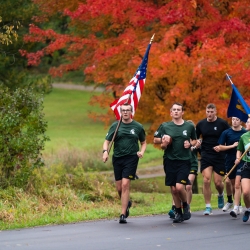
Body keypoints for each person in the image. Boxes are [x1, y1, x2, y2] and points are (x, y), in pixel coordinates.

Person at [102, 103, 147, 224]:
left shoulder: (137, 126)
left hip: (131, 158)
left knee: (125, 184)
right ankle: (127, 202)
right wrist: (105, 152)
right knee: (119, 187)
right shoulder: (116, 126)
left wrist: (141, 152)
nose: (125, 112)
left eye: (128, 110)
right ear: (120, 112)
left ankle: (123, 213)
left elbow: (143, 142)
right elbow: (106, 141)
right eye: (123, 110)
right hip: (117, 158)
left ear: (131, 111)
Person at [154, 102, 197, 223]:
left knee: (179, 187)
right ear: (171, 112)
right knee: (173, 189)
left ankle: (185, 205)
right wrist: (164, 139)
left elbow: (194, 140)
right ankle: (178, 212)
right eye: (174, 110)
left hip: (184, 160)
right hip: (169, 160)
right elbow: (155, 139)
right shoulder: (165, 126)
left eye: (179, 110)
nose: (176, 111)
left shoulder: (188, 127)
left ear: (182, 112)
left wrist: (190, 144)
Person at [196, 103, 230, 215]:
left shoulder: (222, 123)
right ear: (205, 112)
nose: (209, 114)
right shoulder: (201, 124)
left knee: (218, 183)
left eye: (211, 112)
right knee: (206, 180)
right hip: (206, 154)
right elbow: (195, 138)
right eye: (208, 112)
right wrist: (196, 143)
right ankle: (208, 206)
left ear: (215, 112)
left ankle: (220, 194)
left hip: (219, 155)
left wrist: (223, 147)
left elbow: (229, 136)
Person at [214, 117, 246, 217]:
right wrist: (232, 146)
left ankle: (237, 206)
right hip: (230, 160)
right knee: (232, 182)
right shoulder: (226, 132)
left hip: (242, 160)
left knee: (238, 183)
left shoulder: (245, 133)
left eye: (237, 120)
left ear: (240, 121)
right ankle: (236, 202)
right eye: (233, 120)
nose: (234, 121)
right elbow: (220, 147)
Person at [234, 117, 250, 222]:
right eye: (247, 122)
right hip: (247, 165)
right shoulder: (244, 136)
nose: (246, 124)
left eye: (249, 122)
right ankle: (248, 209)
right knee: (246, 192)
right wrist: (238, 158)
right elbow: (239, 150)